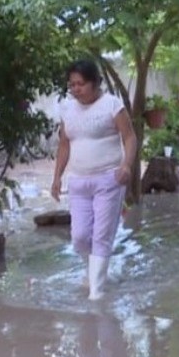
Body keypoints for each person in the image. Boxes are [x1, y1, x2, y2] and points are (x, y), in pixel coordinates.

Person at [51, 59, 137, 300]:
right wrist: (57, 177)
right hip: (79, 182)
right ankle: (95, 273)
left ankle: (96, 293)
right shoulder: (67, 109)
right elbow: (64, 145)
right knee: (79, 237)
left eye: (80, 84)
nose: (75, 89)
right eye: (72, 85)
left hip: (109, 179)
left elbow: (130, 137)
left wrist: (126, 165)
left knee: (101, 235)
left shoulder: (112, 105)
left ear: (95, 83)